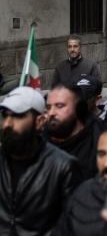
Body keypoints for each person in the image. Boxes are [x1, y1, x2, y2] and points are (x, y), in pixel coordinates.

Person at [0, 87, 82, 235]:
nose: (7, 124)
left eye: (18, 116)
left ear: (39, 122)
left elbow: (71, 225)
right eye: (5, 116)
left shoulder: (62, 166)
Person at [45, 82, 103, 179]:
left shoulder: (100, 140)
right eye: (48, 107)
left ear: (79, 109)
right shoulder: (39, 143)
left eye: (59, 106)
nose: (51, 113)